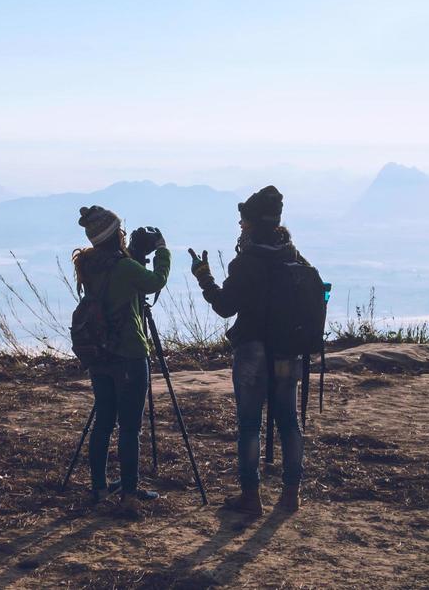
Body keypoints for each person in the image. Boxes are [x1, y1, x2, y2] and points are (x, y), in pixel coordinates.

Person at [189, 185, 305, 517]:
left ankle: (251, 498)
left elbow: (225, 307)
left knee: (250, 425)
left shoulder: (246, 263)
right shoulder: (292, 256)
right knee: (290, 423)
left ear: (251, 223)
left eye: (243, 221)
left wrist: (204, 278)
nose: (241, 226)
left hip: (252, 351)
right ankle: (290, 495)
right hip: (287, 351)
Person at [73, 205, 171, 514]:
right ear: (115, 235)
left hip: (99, 354)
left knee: (104, 421)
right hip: (128, 353)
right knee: (130, 428)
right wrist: (162, 251)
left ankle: (99, 488)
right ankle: (129, 494)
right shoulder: (125, 268)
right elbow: (155, 282)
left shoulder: (88, 263)